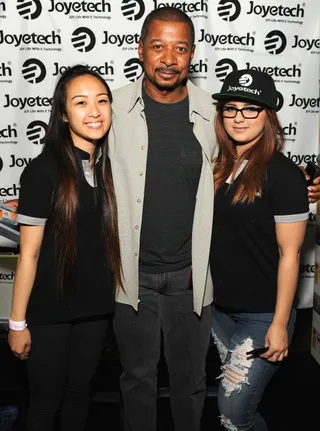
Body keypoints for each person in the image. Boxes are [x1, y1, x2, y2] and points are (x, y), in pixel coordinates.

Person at [109, 7, 216, 431]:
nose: (169, 58)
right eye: (158, 46)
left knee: (190, 384)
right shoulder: (111, 106)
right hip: (130, 277)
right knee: (136, 382)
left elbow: (250, 166)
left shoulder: (215, 112)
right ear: (140, 51)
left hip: (191, 277)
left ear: (192, 55)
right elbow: (73, 161)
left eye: (180, 48)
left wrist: (298, 183)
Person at [8, 64, 121, 431]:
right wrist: (17, 323)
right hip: (49, 312)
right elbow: (29, 254)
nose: (94, 111)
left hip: (95, 310)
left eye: (102, 101)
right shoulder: (42, 171)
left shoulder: (110, 169)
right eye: (81, 102)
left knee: (80, 394)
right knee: (45, 401)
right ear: (63, 113)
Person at [210, 69, 309, 431]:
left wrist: (280, 323)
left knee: (232, 412)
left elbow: (291, 255)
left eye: (251, 109)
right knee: (238, 407)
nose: (239, 117)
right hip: (220, 311)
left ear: (268, 115)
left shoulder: (284, 175)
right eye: (231, 108)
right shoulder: (220, 166)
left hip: (263, 315)